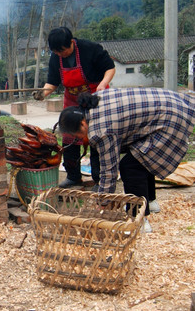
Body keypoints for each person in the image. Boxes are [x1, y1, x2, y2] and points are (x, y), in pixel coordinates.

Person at [57, 87, 195, 232]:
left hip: (170, 119)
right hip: (171, 103)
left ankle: (139, 220)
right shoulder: (93, 102)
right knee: (140, 158)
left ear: (83, 124)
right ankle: (150, 202)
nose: (79, 139)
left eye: (77, 135)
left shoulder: (101, 130)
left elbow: (109, 171)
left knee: (130, 167)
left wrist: (102, 203)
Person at [33, 27, 115, 189]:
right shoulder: (56, 57)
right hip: (72, 100)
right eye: (56, 52)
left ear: (71, 42)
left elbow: (110, 67)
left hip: (94, 98)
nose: (60, 54)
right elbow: (52, 82)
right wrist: (43, 94)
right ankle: (73, 177)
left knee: (96, 139)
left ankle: (99, 179)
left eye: (62, 51)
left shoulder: (90, 48)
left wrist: (103, 84)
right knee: (69, 140)